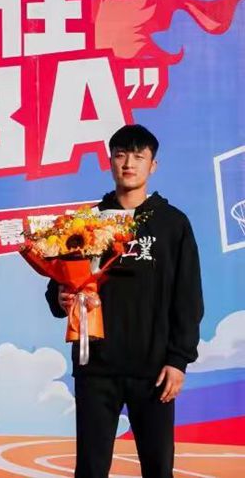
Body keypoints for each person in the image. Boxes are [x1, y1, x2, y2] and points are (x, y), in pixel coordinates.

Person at [45, 124, 204, 478]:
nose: (128, 164)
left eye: (138, 157)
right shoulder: (85, 222)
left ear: (153, 165)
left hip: (154, 369)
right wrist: (61, 295)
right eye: (120, 155)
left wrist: (178, 360)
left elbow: (188, 296)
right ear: (110, 161)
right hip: (96, 366)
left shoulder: (172, 224)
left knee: (158, 467)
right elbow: (58, 285)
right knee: (90, 468)